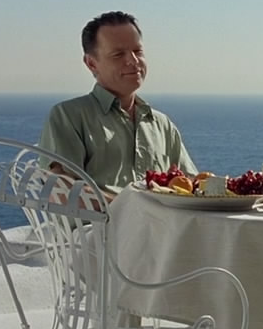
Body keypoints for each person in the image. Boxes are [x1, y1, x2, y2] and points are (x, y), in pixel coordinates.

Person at [39, 11, 198, 200]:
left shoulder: (162, 125)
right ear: (91, 63)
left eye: (138, 51)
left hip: (160, 219)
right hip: (102, 220)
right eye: (118, 54)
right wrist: (128, 208)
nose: (133, 61)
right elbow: (60, 190)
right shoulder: (69, 116)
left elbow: (192, 185)